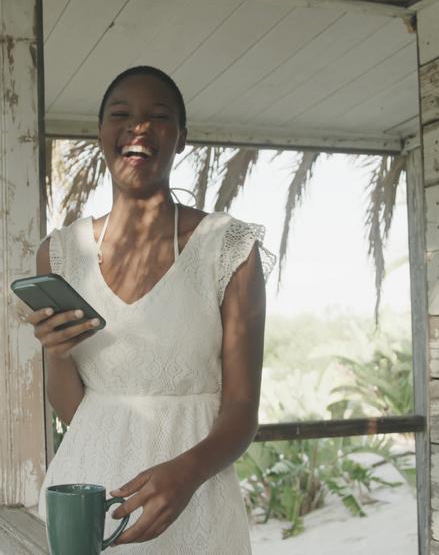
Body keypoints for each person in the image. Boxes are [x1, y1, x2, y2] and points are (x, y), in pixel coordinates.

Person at [28, 65, 273, 552]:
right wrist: (56, 354)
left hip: (197, 497)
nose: (138, 127)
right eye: (121, 114)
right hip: (90, 499)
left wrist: (185, 475)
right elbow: (77, 409)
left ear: (180, 138)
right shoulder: (60, 253)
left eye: (158, 116)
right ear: (101, 133)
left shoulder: (228, 248)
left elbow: (243, 411)